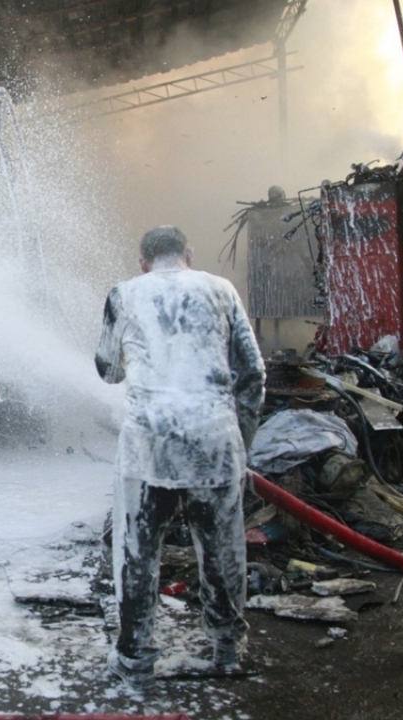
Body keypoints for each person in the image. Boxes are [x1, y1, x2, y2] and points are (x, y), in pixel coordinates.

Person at [94, 225, 265, 691]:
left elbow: (107, 369)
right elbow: (253, 374)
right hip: (214, 442)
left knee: (138, 552)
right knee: (221, 549)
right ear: (189, 255)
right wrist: (240, 443)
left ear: (143, 263)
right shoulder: (222, 289)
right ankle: (227, 648)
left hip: (149, 446)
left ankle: (135, 658)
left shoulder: (123, 294)